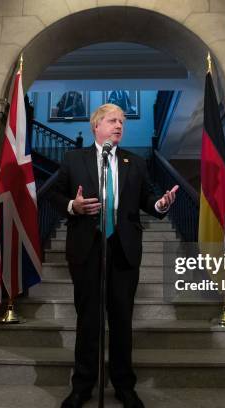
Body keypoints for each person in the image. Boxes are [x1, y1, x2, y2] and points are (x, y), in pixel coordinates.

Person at [49, 104, 178, 408]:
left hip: (123, 250)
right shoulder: (73, 159)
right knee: (89, 320)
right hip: (86, 250)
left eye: (122, 121)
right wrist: (73, 206)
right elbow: (53, 194)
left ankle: (124, 385)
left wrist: (160, 205)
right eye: (112, 120)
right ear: (96, 126)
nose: (119, 125)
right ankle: (82, 385)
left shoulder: (135, 162)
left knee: (121, 321)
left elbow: (147, 197)